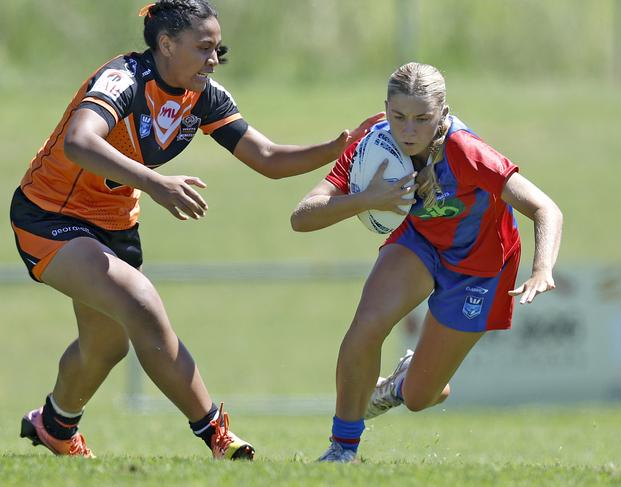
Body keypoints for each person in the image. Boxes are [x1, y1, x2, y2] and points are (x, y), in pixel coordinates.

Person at [10, 0, 383, 460]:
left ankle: (55, 425)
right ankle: (216, 436)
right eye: (204, 47)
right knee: (141, 303)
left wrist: (337, 147)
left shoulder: (203, 95)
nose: (214, 58)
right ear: (166, 44)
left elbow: (266, 159)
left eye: (217, 49)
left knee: (105, 345)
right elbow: (79, 141)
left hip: (114, 222)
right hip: (49, 214)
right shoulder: (124, 79)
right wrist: (157, 184)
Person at [291, 62, 563, 463]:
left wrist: (543, 268)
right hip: (420, 244)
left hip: (480, 264)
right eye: (398, 117)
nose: (409, 130)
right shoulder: (373, 142)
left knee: (422, 396)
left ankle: (400, 384)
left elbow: (545, 208)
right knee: (365, 327)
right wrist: (368, 199)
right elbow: (303, 216)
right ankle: (342, 450)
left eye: (422, 118)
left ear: (442, 114)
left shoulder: (466, 151)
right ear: (385, 109)